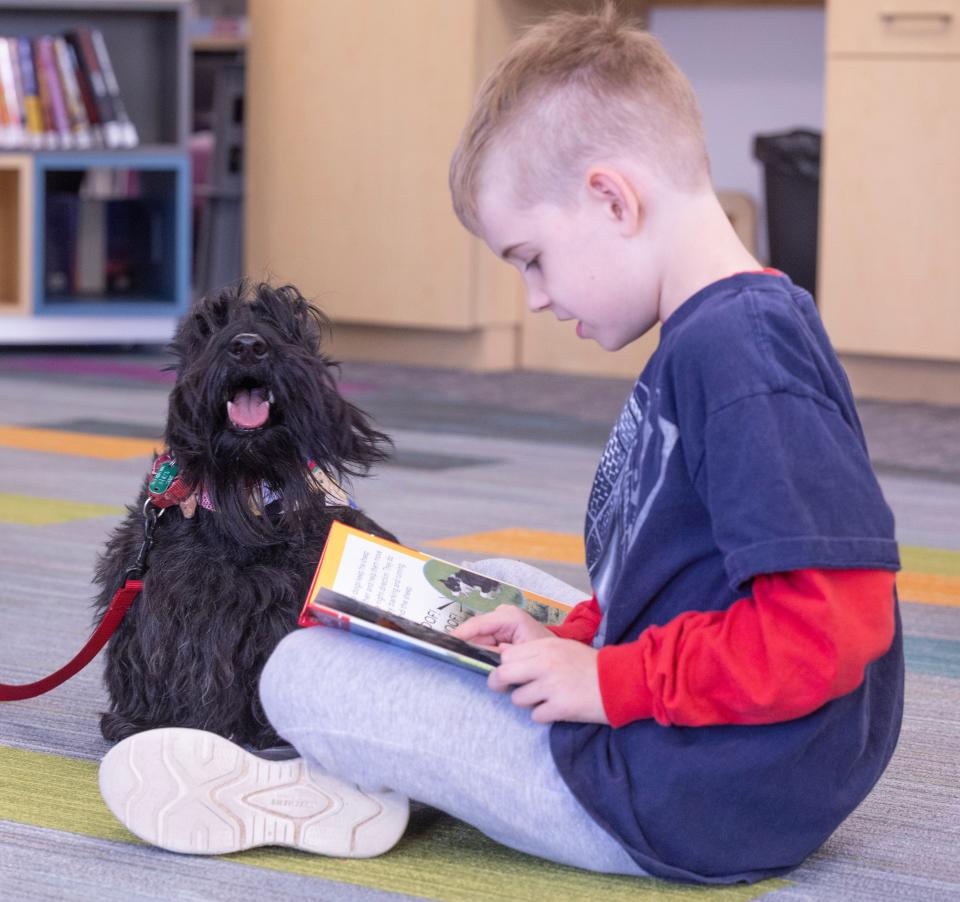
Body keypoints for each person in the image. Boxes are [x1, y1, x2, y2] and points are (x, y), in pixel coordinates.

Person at [98, 5, 902, 884]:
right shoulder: (720, 332)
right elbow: (679, 567)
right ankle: (401, 761)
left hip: (688, 800)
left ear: (611, 198)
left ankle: (340, 787)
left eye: (532, 257)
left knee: (300, 673)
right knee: (504, 590)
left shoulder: (738, 357)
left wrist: (606, 683)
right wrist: (588, 636)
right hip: (735, 762)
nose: (534, 298)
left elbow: (833, 629)